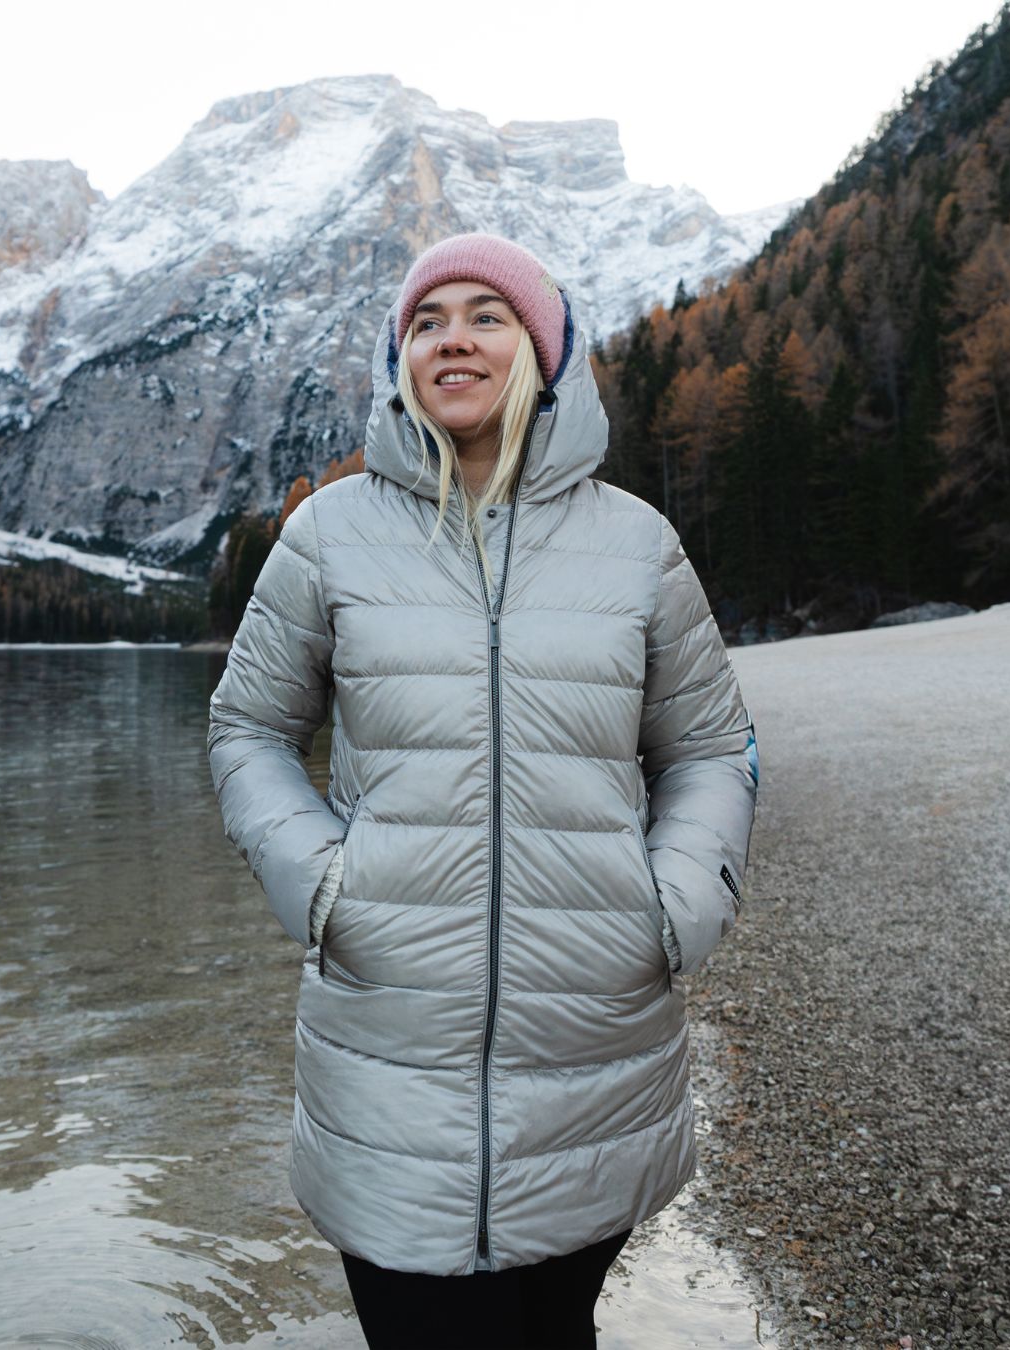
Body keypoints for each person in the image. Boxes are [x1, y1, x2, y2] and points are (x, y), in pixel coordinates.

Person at [207, 233, 759, 1349]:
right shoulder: (328, 536)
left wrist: (675, 906)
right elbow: (248, 729)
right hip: (388, 1049)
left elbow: (708, 747)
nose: (451, 339)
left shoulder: (637, 546)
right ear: (401, 359)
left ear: (544, 354)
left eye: (485, 316)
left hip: (594, 1045)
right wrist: (323, 886)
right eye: (426, 321)